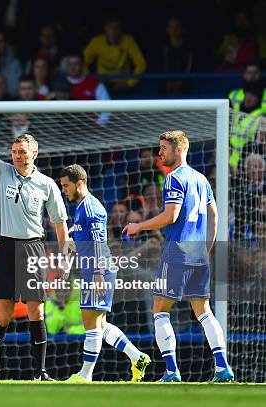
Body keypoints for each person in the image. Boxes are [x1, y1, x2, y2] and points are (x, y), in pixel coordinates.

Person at [0, 97, 69, 380]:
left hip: (33, 247)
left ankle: (40, 372)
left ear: (35, 152)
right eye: (14, 151)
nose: (17, 156)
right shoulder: (1, 171)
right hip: (5, 246)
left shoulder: (46, 184)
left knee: (37, 310)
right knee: (3, 313)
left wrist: (64, 255)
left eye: (22, 151)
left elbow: (59, 223)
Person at [123, 130, 234, 382]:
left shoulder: (174, 178)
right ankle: (223, 368)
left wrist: (138, 226)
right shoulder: (201, 179)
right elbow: (214, 217)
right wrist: (205, 249)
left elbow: (170, 216)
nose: (159, 152)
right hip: (197, 252)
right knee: (204, 311)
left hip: (177, 251)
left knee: (160, 309)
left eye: (164, 148)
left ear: (179, 149)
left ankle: (172, 371)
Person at [59, 164, 150, 383]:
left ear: (79, 183)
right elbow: (85, 242)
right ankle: (137, 357)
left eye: (66, 186)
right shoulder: (81, 207)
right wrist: (70, 254)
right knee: (99, 324)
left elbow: (100, 241)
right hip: (94, 269)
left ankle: (85, 375)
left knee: (91, 323)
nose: (64, 190)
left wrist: (98, 273)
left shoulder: (90, 207)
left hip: (98, 271)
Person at [83, 16, 146, 95]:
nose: (113, 30)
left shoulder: (128, 41)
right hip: (102, 83)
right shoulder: (97, 41)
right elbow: (82, 61)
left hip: (122, 83)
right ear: (105, 29)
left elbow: (141, 64)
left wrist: (129, 83)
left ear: (121, 29)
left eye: (117, 27)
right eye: (110, 27)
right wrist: (90, 81)